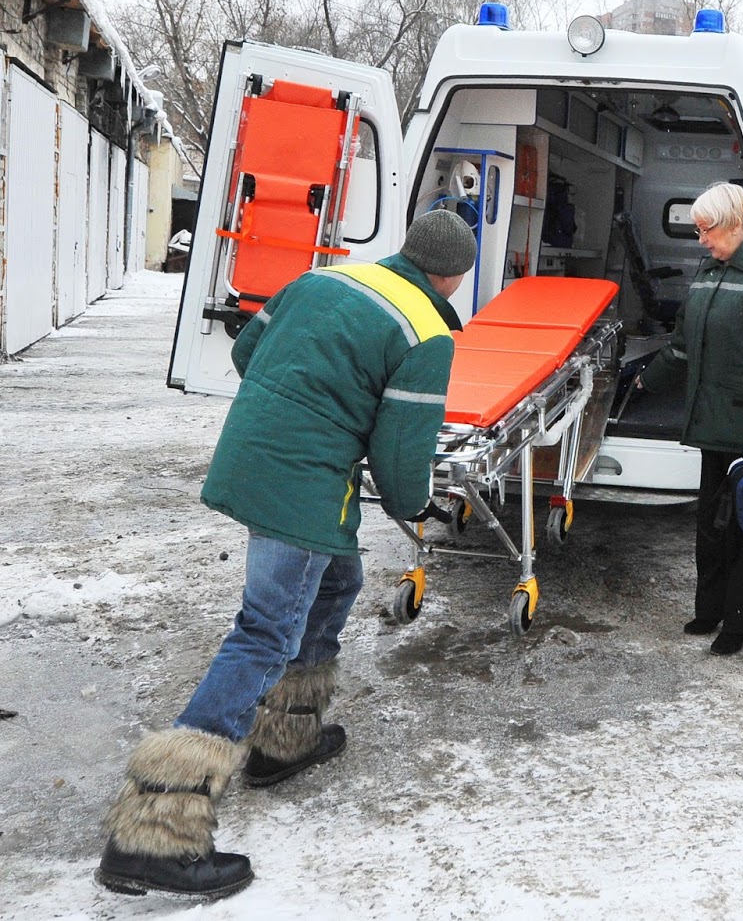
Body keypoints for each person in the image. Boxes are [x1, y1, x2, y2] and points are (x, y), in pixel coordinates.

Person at [95, 209, 479, 899]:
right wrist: (416, 503)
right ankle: (155, 830)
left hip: (253, 454)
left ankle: (282, 739)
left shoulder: (324, 278)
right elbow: (399, 456)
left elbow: (247, 355)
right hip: (302, 483)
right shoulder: (426, 329)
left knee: (340, 580)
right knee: (265, 633)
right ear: (454, 275)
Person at [638, 182, 743, 655]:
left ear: (735, 223)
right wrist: (645, 382)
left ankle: (741, 622)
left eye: (705, 229)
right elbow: (682, 345)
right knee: (710, 524)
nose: (700, 240)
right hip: (713, 421)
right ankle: (709, 609)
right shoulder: (708, 270)